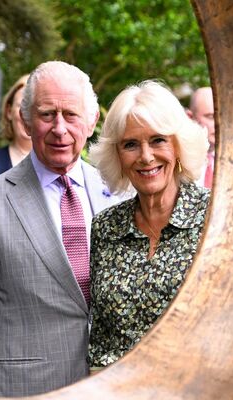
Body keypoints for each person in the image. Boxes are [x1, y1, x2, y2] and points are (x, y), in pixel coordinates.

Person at [0, 61, 122, 396]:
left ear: (91, 122)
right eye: (47, 114)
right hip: (24, 389)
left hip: (111, 385)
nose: (59, 128)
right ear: (27, 121)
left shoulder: (119, 193)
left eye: (71, 115)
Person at [87, 80, 210, 369]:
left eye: (158, 140)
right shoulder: (105, 227)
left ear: (178, 145)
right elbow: (101, 336)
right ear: (117, 155)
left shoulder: (214, 216)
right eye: (131, 144)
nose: (145, 156)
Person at [186, 86, 216, 188]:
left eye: (222, 116)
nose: (219, 123)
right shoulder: (180, 159)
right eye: (211, 117)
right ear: (190, 117)